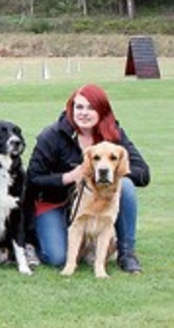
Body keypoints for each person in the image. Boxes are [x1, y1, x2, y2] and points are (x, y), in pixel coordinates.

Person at [27, 84, 150, 273]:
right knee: (56, 257)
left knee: (126, 184)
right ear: (71, 109)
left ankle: (126, 253)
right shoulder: (52, 135)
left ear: (102, 110)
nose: (84, 113)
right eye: (79, 107)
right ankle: (33, 242)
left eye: (91, 108)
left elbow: (143, 174)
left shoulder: (114, 134)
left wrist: (112, 170)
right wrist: (69, 177)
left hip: (97, 200)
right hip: (56, 203)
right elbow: (33, 179)